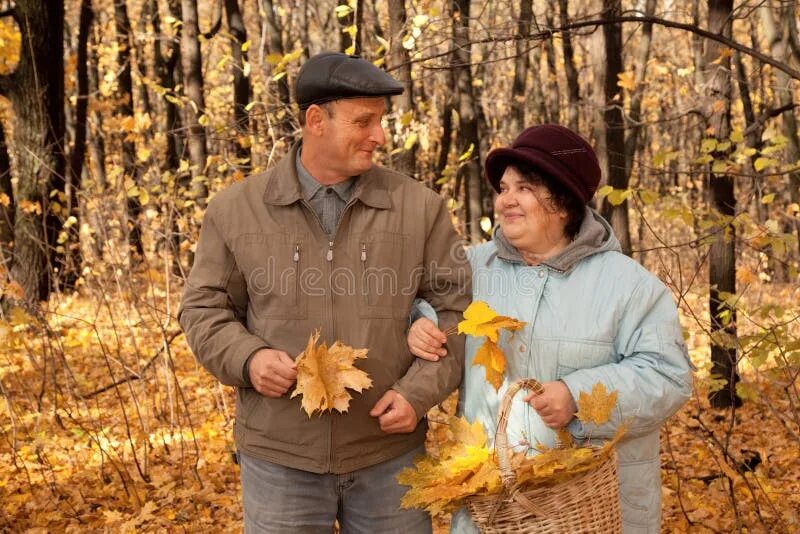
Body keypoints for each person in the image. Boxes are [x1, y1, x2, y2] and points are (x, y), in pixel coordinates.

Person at [179, 52, 471, 533]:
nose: (380, 136)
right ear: (316, 120)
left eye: (380, 120)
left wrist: (418, 394)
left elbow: (457, 311)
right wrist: (249, 359)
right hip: (280, 460)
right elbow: (203, 308)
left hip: (389, 456)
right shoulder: (237, 210)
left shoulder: (418, 207)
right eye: (364, 121)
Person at [407, 124, 693, 533]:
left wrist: (578, 396)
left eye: (523, 188)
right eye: (503, 188)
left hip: (589, 508)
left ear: (562, 201)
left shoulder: (628, 285)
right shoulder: (471, 269)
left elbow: (670, 376)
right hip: (494, 508)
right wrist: (419, 323)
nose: (506, 200)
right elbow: (427, 304)